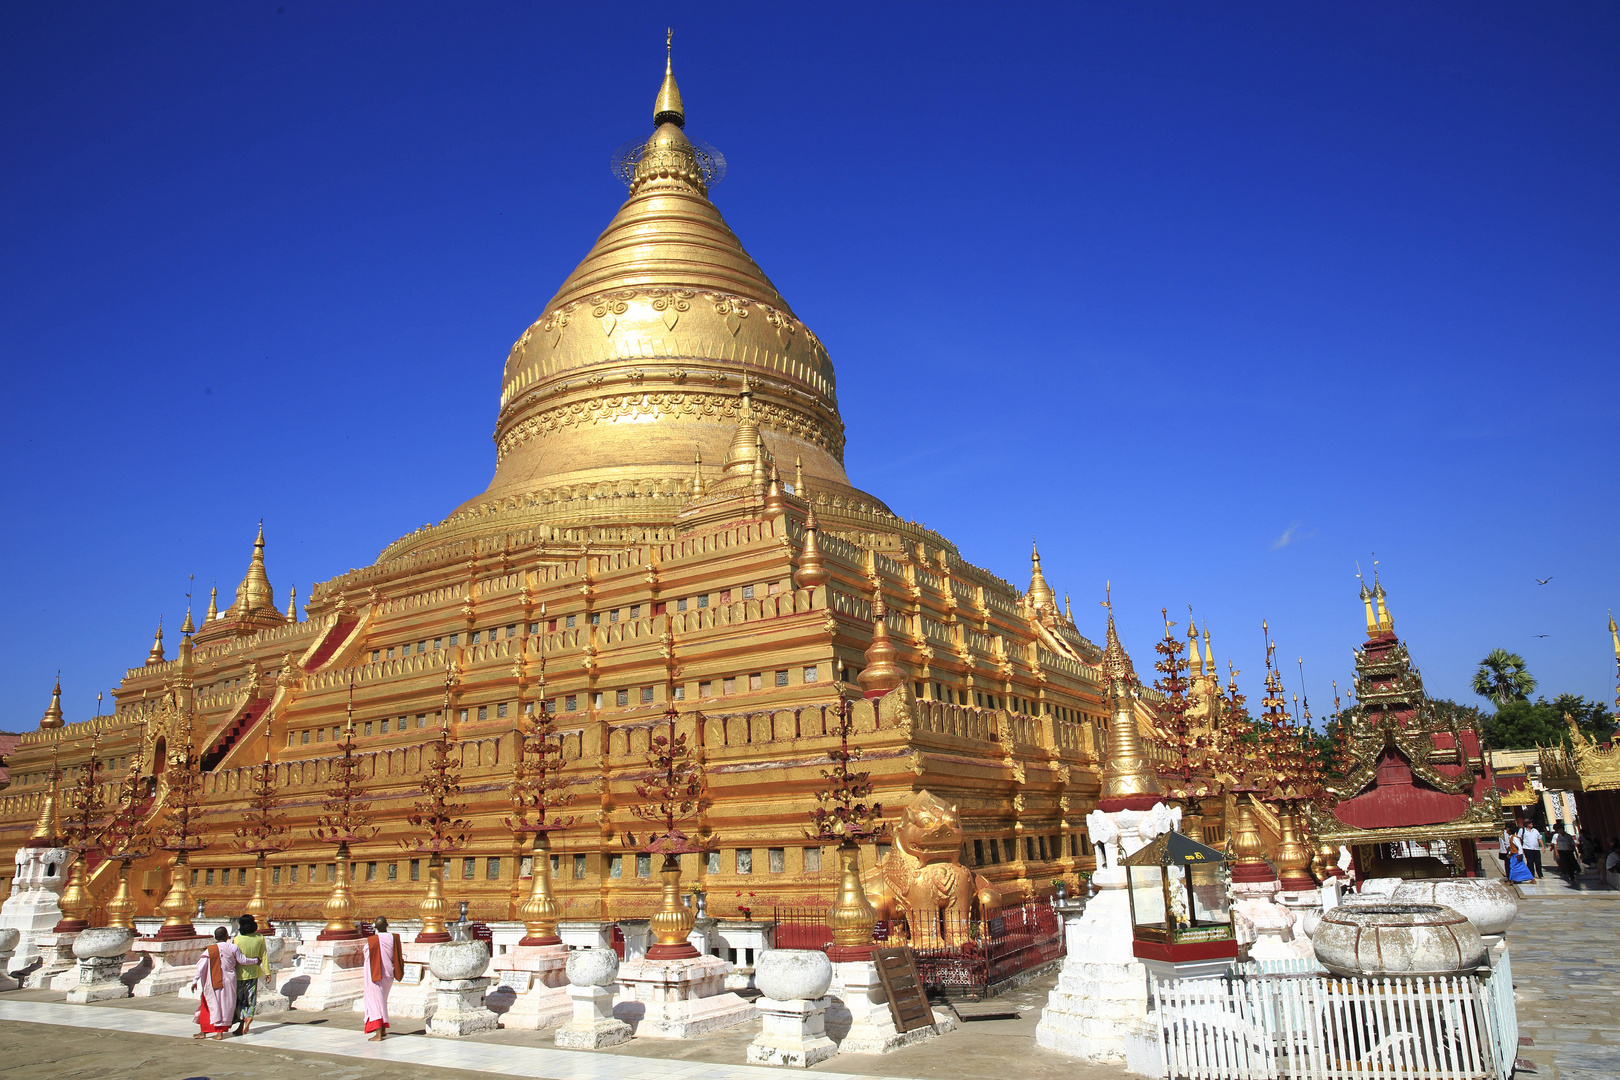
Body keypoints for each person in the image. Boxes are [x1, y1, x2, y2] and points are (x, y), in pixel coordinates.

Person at [190, 926, 252, 1039]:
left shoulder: (210, 950)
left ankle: (204, 1032)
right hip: (229, 981)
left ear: (215, 937)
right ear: (226, 935)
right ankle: (219, 1033)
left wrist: (195, 981)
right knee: (225, 1005)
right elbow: (243, 960)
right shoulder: (233, 947)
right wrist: (256, 961)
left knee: (208, 1005)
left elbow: (201, 967)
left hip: (213, 981)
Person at [361, 915, 403, 1041]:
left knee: (375, 1002)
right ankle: (383, 1029)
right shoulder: (393, 938)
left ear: (376, 927)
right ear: (387, 925)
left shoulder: (372, 940)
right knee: (382, 1000)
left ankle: (378, 1034)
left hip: (376, 974)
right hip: (389, 974)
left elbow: (367, 954)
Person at [233, 914, 268, 1037]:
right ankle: (247, 1018)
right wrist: (267, 972)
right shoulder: (259, 937)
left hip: (239, 974)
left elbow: (235, 958)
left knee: (239, 1000)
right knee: (250, 998)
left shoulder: (237, 939)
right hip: (254, 972)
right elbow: (264, 955)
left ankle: (244, 1018)